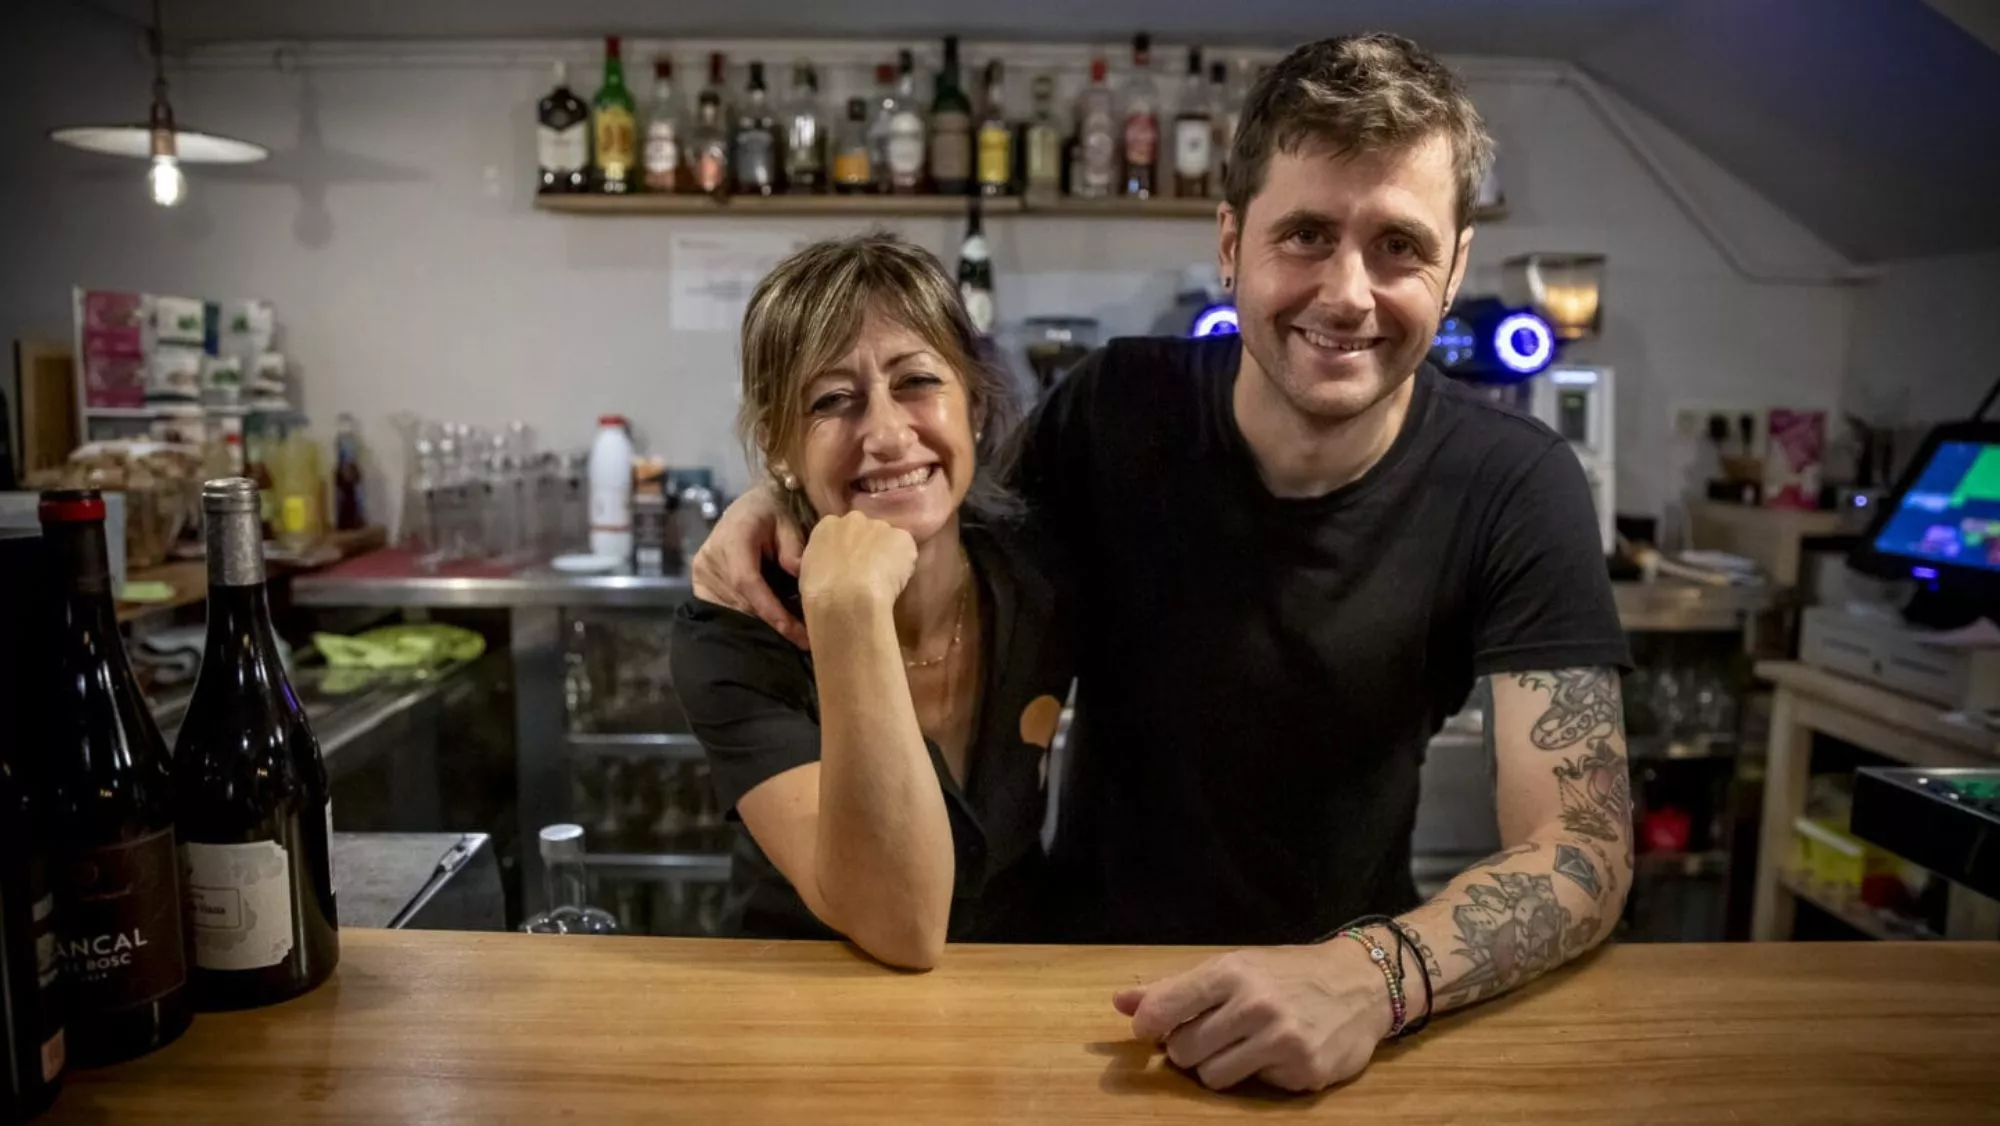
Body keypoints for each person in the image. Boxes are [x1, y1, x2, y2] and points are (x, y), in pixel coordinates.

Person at [692, 33, 1634, 1091]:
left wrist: (1368, 979)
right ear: (1228, 244)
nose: (1346, 292)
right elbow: (924, 489)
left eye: (1399, 248)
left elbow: (1584, 846)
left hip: (1340, 1014)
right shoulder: (1113, 407)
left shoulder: (1517, 484)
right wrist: (776, 498)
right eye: (1306, 235)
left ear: (1456, 266)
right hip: (1079, 1000)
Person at [669, 235, 1073, 971]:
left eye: (917, 382)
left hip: (1022, 1000)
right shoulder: (737, 630)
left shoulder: (1041, 562)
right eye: (832, 401)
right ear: (779, 445)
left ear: (975, 404)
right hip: (809, 1010)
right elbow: (899, 925)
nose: (886, 435)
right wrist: (850, 611)